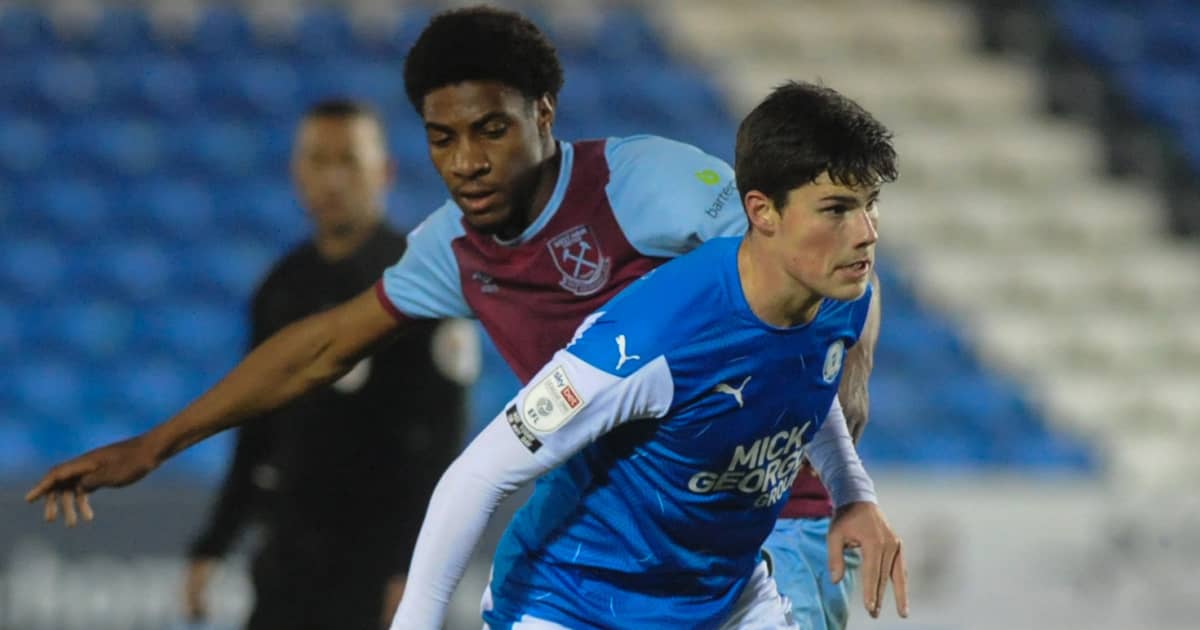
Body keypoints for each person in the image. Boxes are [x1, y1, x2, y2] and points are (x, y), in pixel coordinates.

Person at [26, 7, 879, 627]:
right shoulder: (454, 250)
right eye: (443, 138)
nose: (467, 161)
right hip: (621, 541)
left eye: (491, 129)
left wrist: (856, 383)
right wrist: (155, 445)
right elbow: (318, 348)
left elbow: (821, 240)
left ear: (544, 115)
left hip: (780, 516)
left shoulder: (646, 186)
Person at [391, 80, 906, 629]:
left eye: (869, 204)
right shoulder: (652, 338)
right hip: (575, 603)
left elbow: (802, 383)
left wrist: (852, 492)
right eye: (836, 209)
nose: (865, 233)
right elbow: (478, 473)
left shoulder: (842, 293)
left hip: (720, 599)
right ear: (762, 211)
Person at [188, 99, 474, 630]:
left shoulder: (421, 284)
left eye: (349, 161)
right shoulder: (281, 287)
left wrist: (412, 566)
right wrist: (215, 542)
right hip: (286, 561)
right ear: (297, 173)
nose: (333, 178)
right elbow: (255, 430)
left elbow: (440, 441)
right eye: (318, 161)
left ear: (383, 172)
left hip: (375, 565)